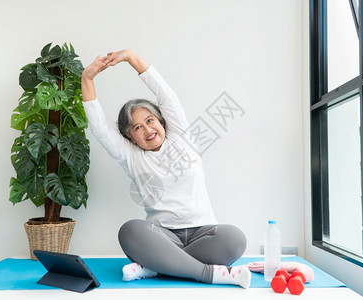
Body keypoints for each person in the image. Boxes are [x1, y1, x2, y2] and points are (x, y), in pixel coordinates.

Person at [81, 49, 251, 288]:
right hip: (161, 237)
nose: (147, 129)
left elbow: (166, 95)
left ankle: (156, 266)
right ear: (130, 138)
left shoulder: (181, 136)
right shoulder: (130, 156)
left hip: (204, 233)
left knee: (234, 239)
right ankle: (207, 273)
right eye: (137, 128)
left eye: (149, 121)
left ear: (161, 121)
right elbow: (99, 127)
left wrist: (131, 57)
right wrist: (87, 78)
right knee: (130, 231)